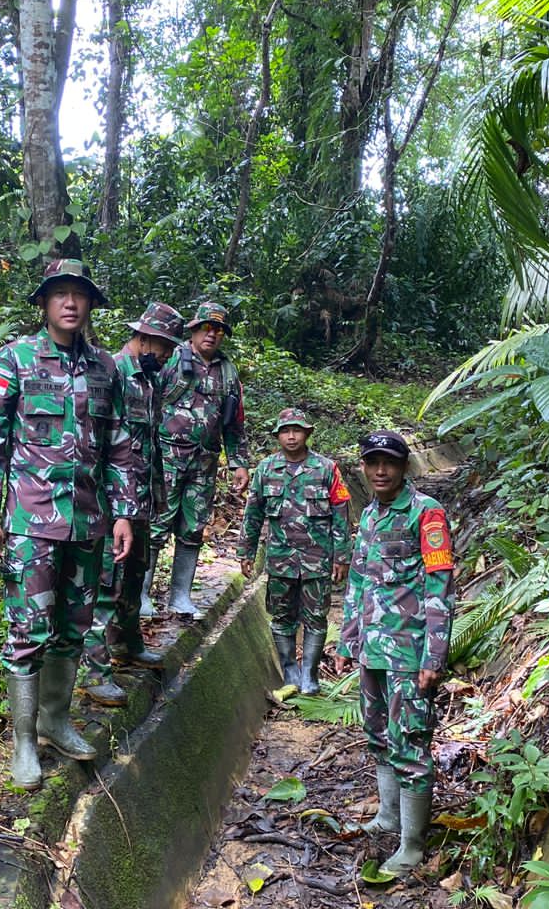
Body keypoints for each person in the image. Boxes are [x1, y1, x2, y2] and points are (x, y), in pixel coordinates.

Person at [0, 259, 137, 789]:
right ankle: (24, 742)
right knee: (28, 631)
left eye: (79, 294)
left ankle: (56, 721)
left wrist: (124, 513)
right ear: (44, 303)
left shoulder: (106, 368)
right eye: (60, 294)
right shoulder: (15, 360)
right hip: (31, 521)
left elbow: (119, 446)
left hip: (88, 522)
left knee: (73, 627)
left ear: (90, 304)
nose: (70, 303)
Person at [334, 431, 456, 876]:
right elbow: (358, 581)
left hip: (409, 652)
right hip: (373, 650)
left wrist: (433, 656)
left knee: (410, 744)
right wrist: (347, 640)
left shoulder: (427, 513)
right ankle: (387, 816)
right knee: (378, 736)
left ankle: (411, 845)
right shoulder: (369, 514)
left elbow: (440, 587)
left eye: (389, 462)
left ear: (404, 467)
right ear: (364, 467)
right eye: (373, 462)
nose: (380, 470)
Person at [78, 302, 182, 706]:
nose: (168, 354)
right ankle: (95, 671)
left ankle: (127, 643)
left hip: (140, 498)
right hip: (111, 501)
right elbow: (104, 442)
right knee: (107, 582)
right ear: (144, 337)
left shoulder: (149, 378)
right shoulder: (114, 372)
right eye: (164, 346)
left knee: (135, 576)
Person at [146, 301, 248, 618]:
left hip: (204, 463)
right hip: (166, 460)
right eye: (206, 327)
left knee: (193, 529)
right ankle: (141, 595)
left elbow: (234, 422)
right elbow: (146, 401)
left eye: (218, 330)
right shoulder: (171, 358)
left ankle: (180, 596)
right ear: (193, 329)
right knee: (155, 526)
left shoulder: (227, 371)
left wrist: (238, 462)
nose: (212, 334)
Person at [240, 408, 351, 695]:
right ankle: (290, 671)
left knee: (316, 617)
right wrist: (246, 552)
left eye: (297, 430)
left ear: (307, 433)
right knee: (281, 617)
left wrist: (342, 556)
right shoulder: (266, 469)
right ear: (278, 435)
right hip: (281, 560)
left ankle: (309, 675)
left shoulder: (326, 468)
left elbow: (341, 514)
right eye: (286, 431)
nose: (291, 436)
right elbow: (253, 514)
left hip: (317, 559)